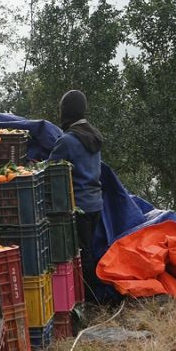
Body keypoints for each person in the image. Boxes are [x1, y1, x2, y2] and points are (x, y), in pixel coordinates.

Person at [49, 90, 106, 301]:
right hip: (96, 203)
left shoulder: (68, 140)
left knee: (82, 254)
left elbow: (50, 170)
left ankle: (90, 299)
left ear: (67, 111)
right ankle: (94, 295)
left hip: (78, 206)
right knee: (90, 250)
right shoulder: (94, 136)